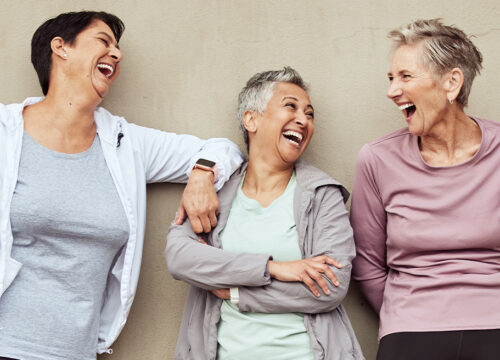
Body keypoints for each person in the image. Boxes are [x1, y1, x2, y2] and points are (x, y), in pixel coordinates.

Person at [0, 11, 244, 360]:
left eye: (117, 47)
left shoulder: (125, 143)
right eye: (103, 41)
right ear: (61, 48)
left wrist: (203, 173)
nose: (117, 54)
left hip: (78, 353)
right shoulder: (6, 132)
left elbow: (224, 149)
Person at [166, 67, 364, 360]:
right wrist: (272, 268)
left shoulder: (323, 194)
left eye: (309, 114)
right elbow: (180, 257)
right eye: (290, 106)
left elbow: (330, 287)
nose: (303, 119)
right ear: (251, 119)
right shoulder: (215, 190)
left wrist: (236, 293)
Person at [350, 19, 500, 360]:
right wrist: (405, 318)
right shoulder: (377, 158)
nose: (392, 91)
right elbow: (367, 264)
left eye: (405, 77)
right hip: (412, 326)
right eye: (391, 78)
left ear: (451, 82)